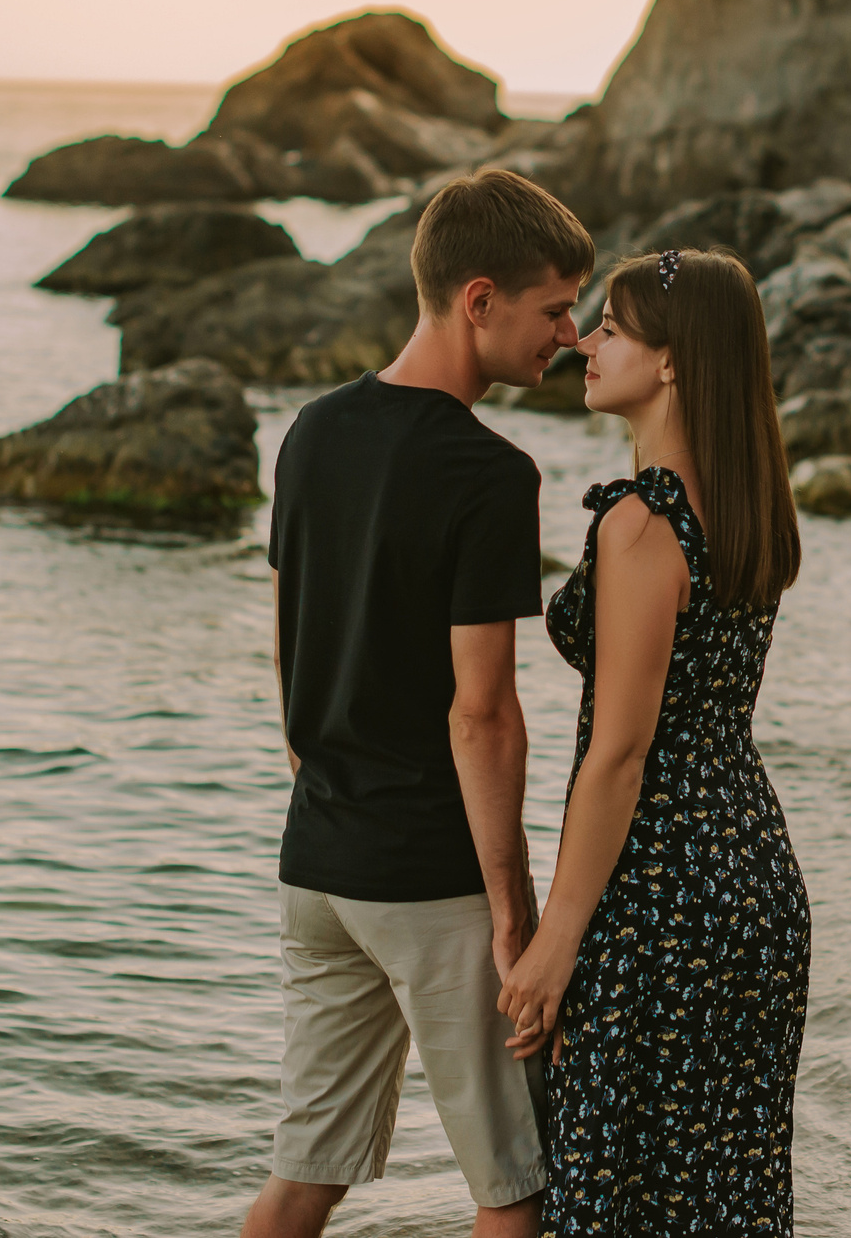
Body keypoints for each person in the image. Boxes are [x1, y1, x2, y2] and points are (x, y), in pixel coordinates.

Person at [243, 168, 593, 1238]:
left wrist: (324, 784)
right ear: (478, 298)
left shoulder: (309, 431)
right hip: (429, 874)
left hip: (319, 864)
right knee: (514, 1187)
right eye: (554, 309)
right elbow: (481, 712)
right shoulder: (486, 473)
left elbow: (287, 641)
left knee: (305, 1174)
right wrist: (514, 910)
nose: (571, 335)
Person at [498, 245, 811, 1237]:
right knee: (721, 1197)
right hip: (752, 883)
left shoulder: (642, 524)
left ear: (672, 361)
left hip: (660, 896)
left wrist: (552, 943)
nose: (585, 343)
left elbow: (621, 755)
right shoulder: (746, 506)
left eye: (613, 328)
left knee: (613, 1198)